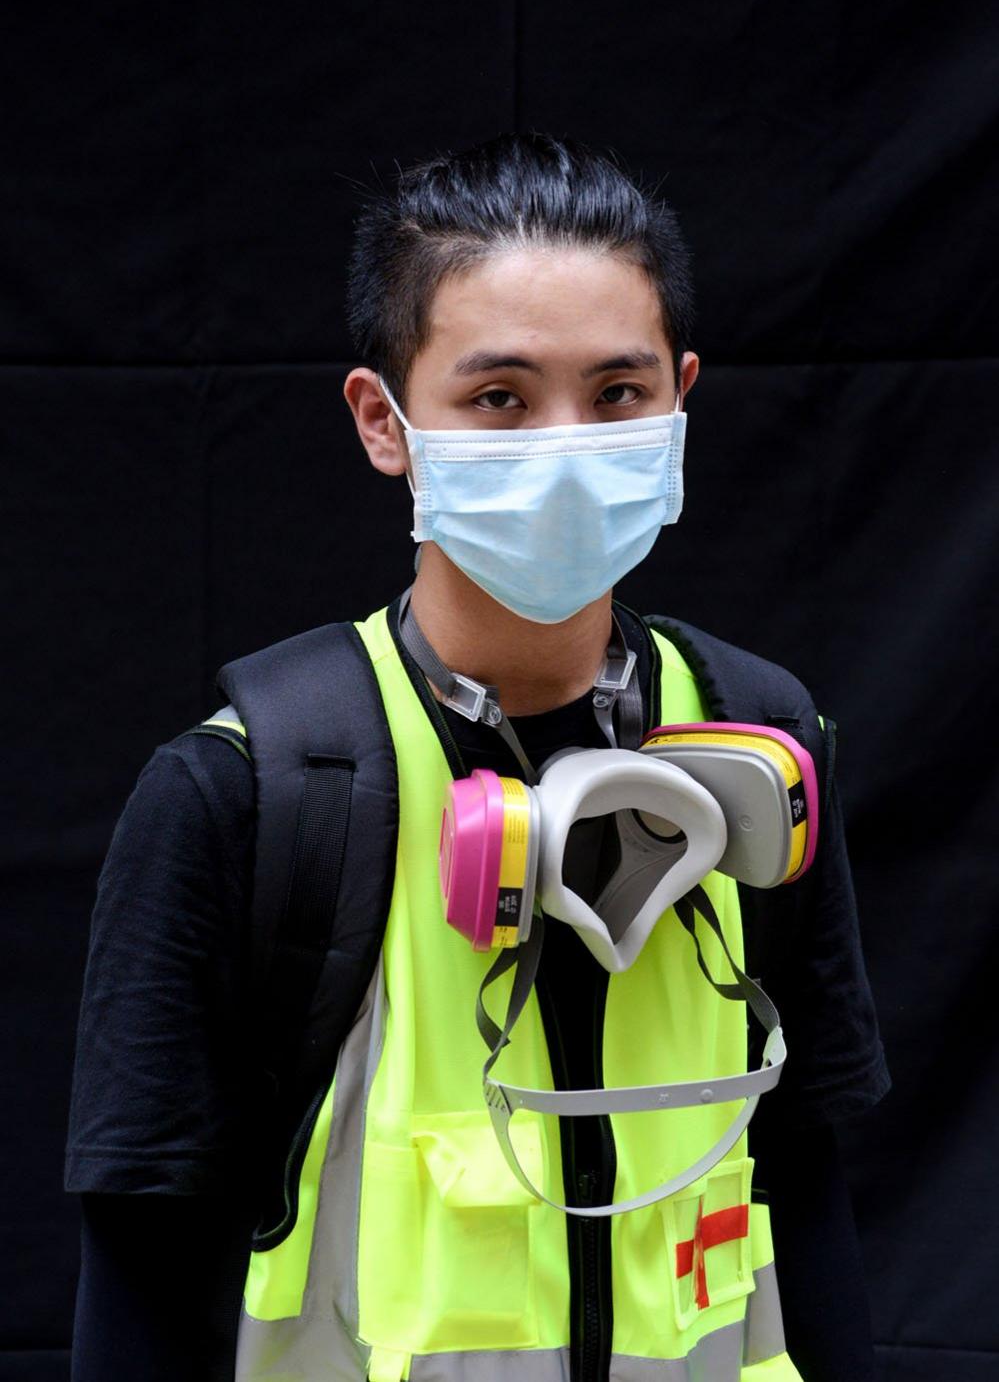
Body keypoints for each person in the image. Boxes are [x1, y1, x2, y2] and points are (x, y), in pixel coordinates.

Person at [66, 132, 889, 1381]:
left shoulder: (763, 750)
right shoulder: (244, 795)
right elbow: (142, 1273)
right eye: (500, 397)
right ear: (383, 420)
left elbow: (808, 1194)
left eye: (617, 395)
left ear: (680, 400)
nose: (566, 442)